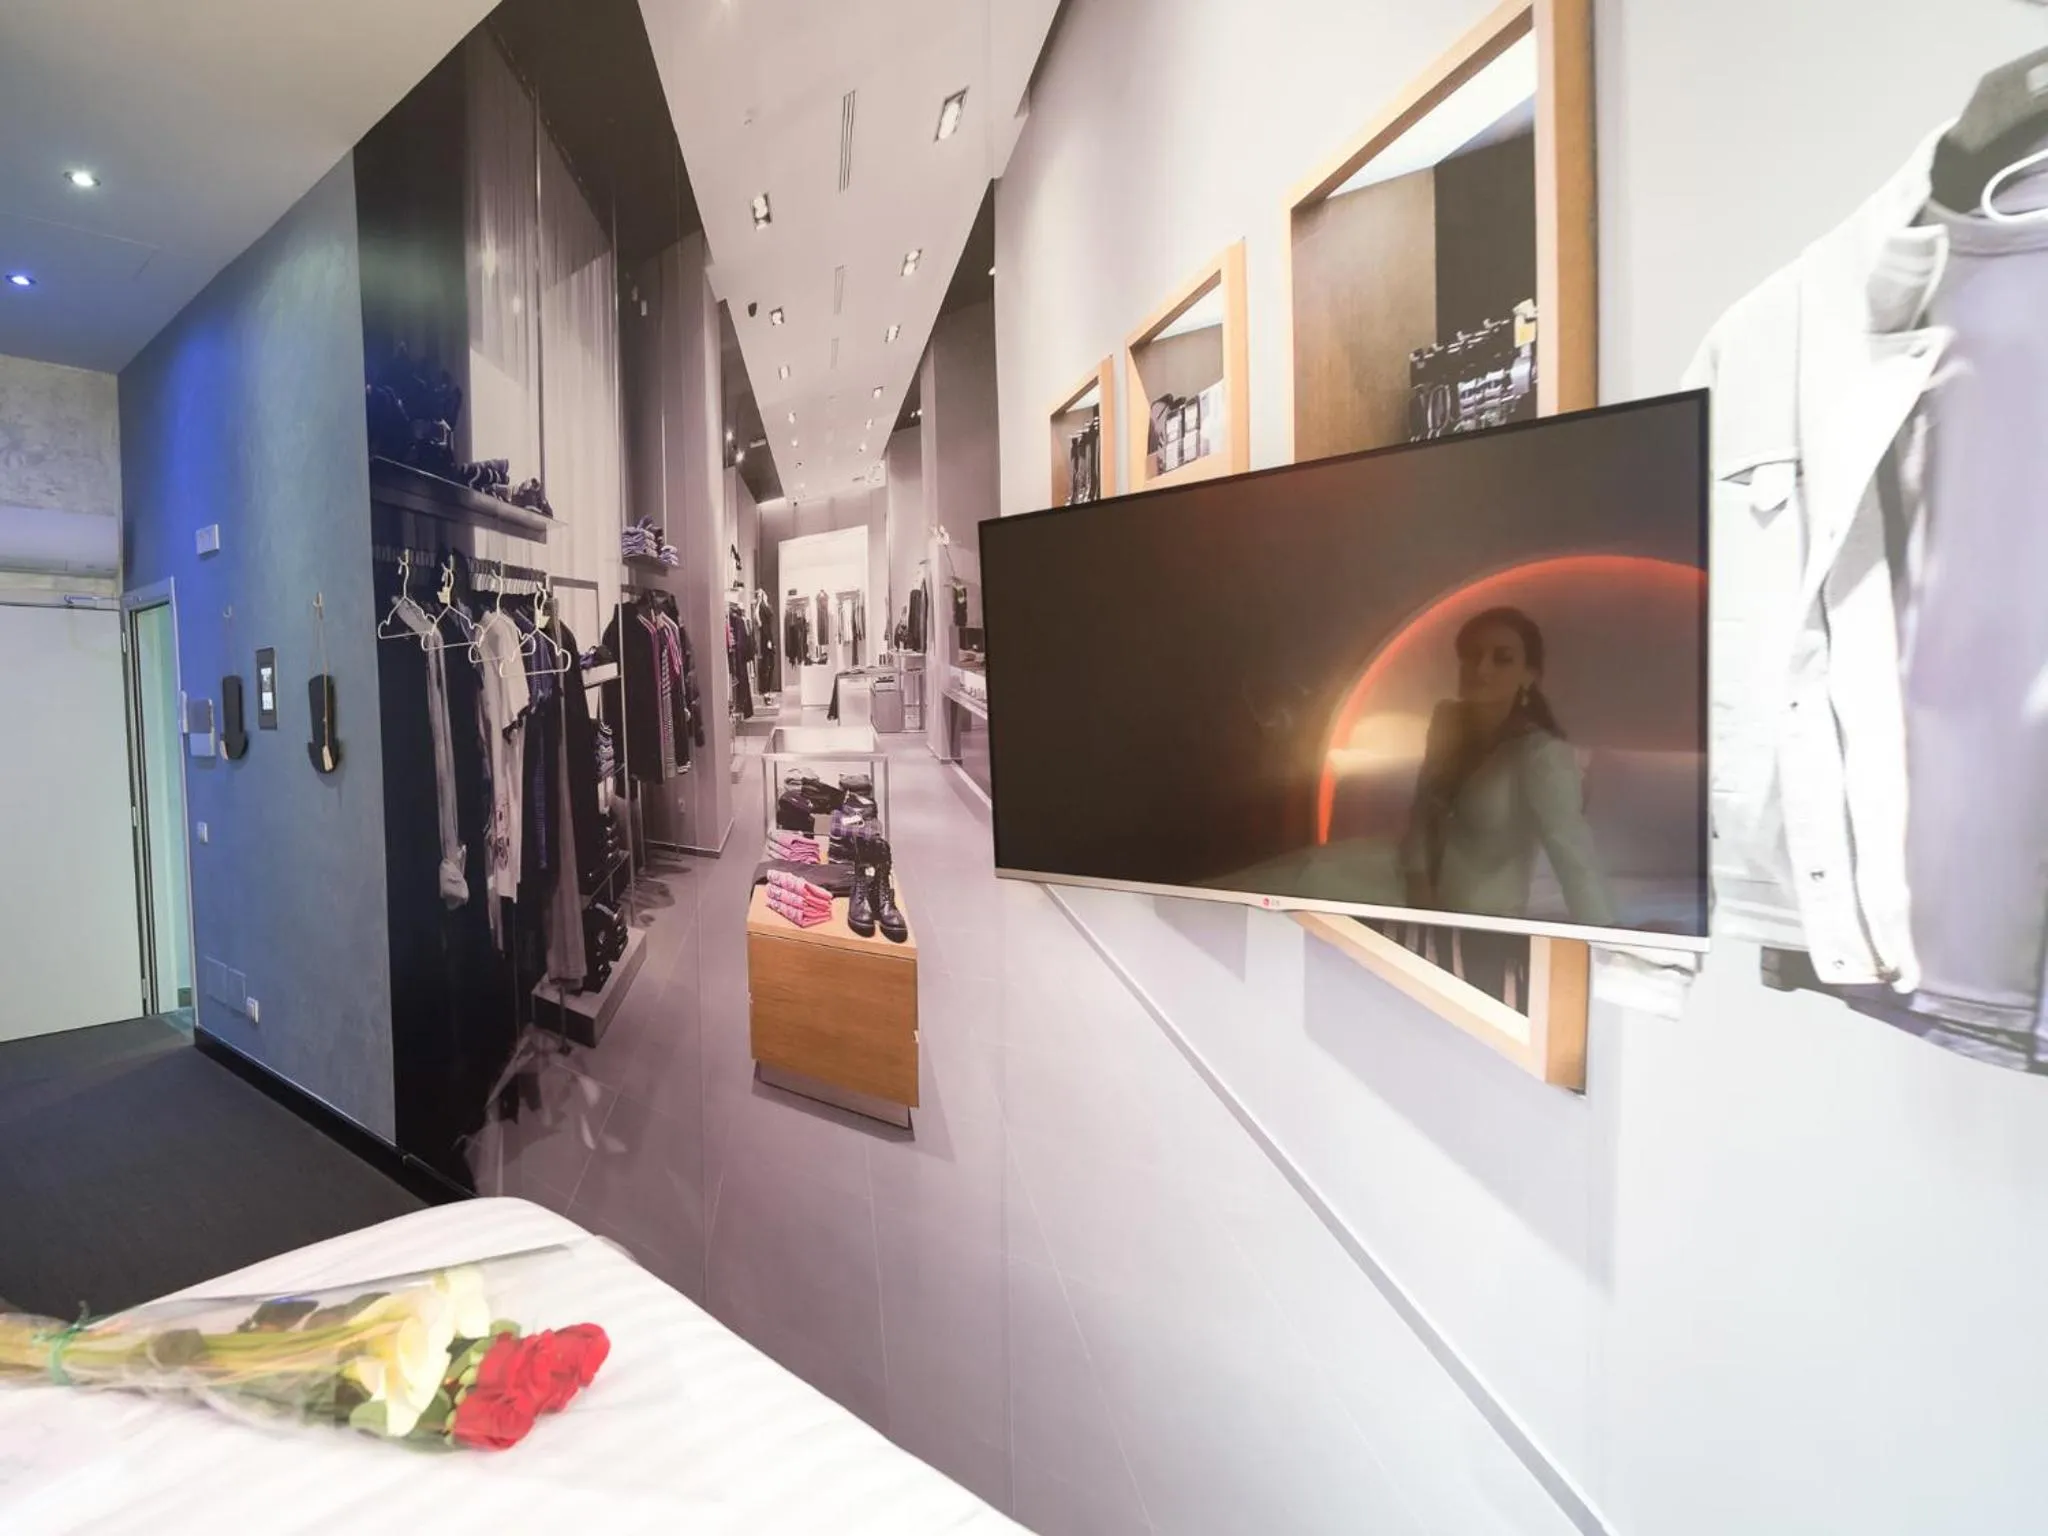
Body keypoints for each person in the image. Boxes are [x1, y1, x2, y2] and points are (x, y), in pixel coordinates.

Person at [1399, 607, 1615, 926]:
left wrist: (1608, 937)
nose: (1481, 668)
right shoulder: (1447, 722)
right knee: (1309, 875)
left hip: (1477, 912)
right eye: (1472, 655)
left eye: (1502, 658)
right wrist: (1417, 881)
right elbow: (1421, 810)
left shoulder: (1541, 755)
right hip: (1407, 888)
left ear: (1529, 675)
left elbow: (1573, 855)